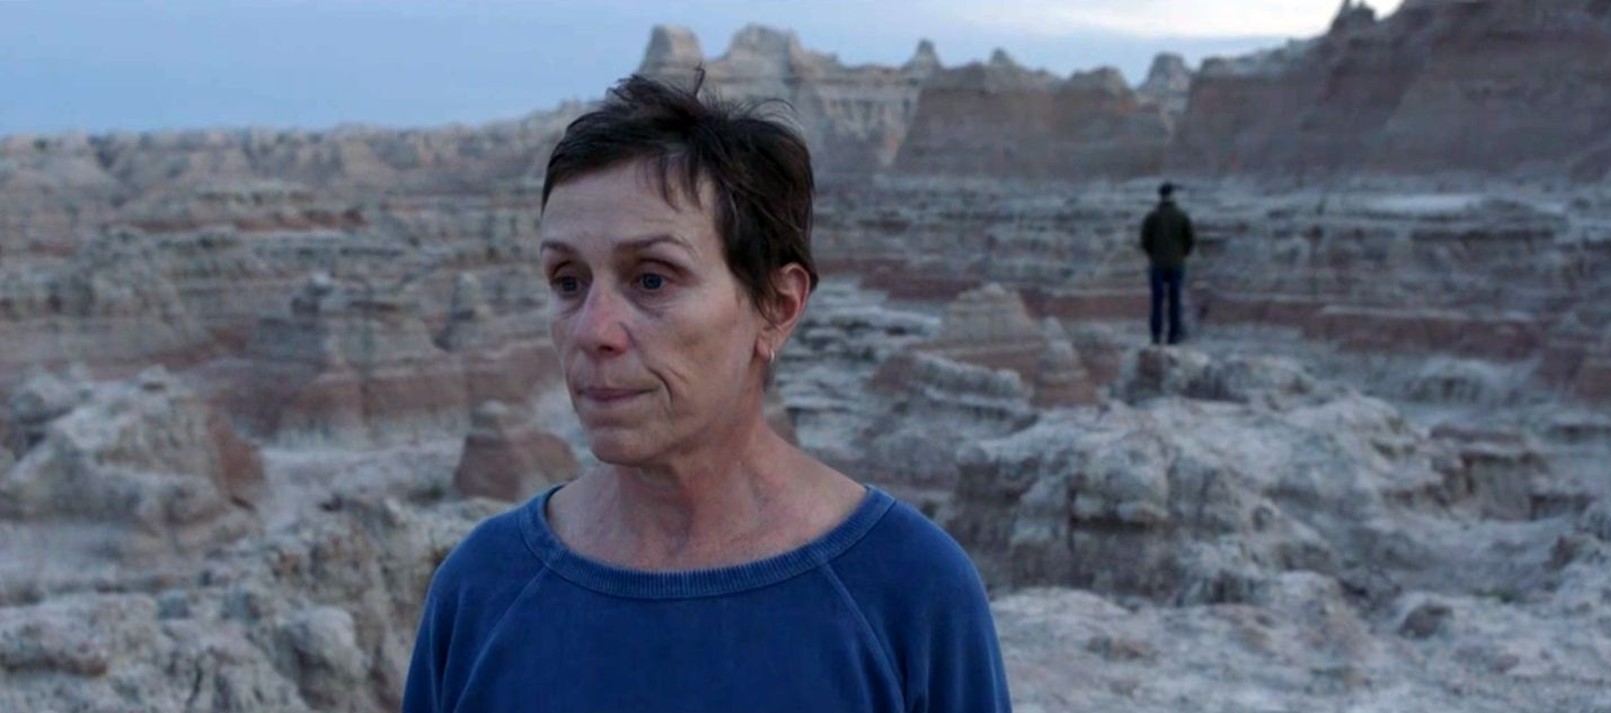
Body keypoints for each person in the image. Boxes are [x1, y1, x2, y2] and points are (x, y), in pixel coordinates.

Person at [402, 72, 1012, 713]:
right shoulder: (482, 588)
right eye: (567, 281)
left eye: (652, 280)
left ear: (777, 307)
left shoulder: (908, 592)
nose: (593, 331)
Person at [1139, 181, 1196, 346]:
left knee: (1157, 301)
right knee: (1175, 300)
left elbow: (1144, 241)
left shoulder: (1152, 217)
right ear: (1173, 195)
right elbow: (1191, 240)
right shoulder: (1181, 216)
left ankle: (1156, 336)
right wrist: (1182, 255)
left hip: (1157, 264)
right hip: (1176, 264)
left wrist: (1153, 255)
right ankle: (1173, 336)